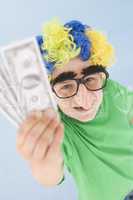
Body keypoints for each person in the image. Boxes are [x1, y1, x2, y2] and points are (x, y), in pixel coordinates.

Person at [16, 18, 133, 200]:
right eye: (66, 86)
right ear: (50, 92)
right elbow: (51, 176)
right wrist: (41, 160)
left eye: (90, 79)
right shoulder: (59, 127)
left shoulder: (110, 89)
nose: (83, 99)